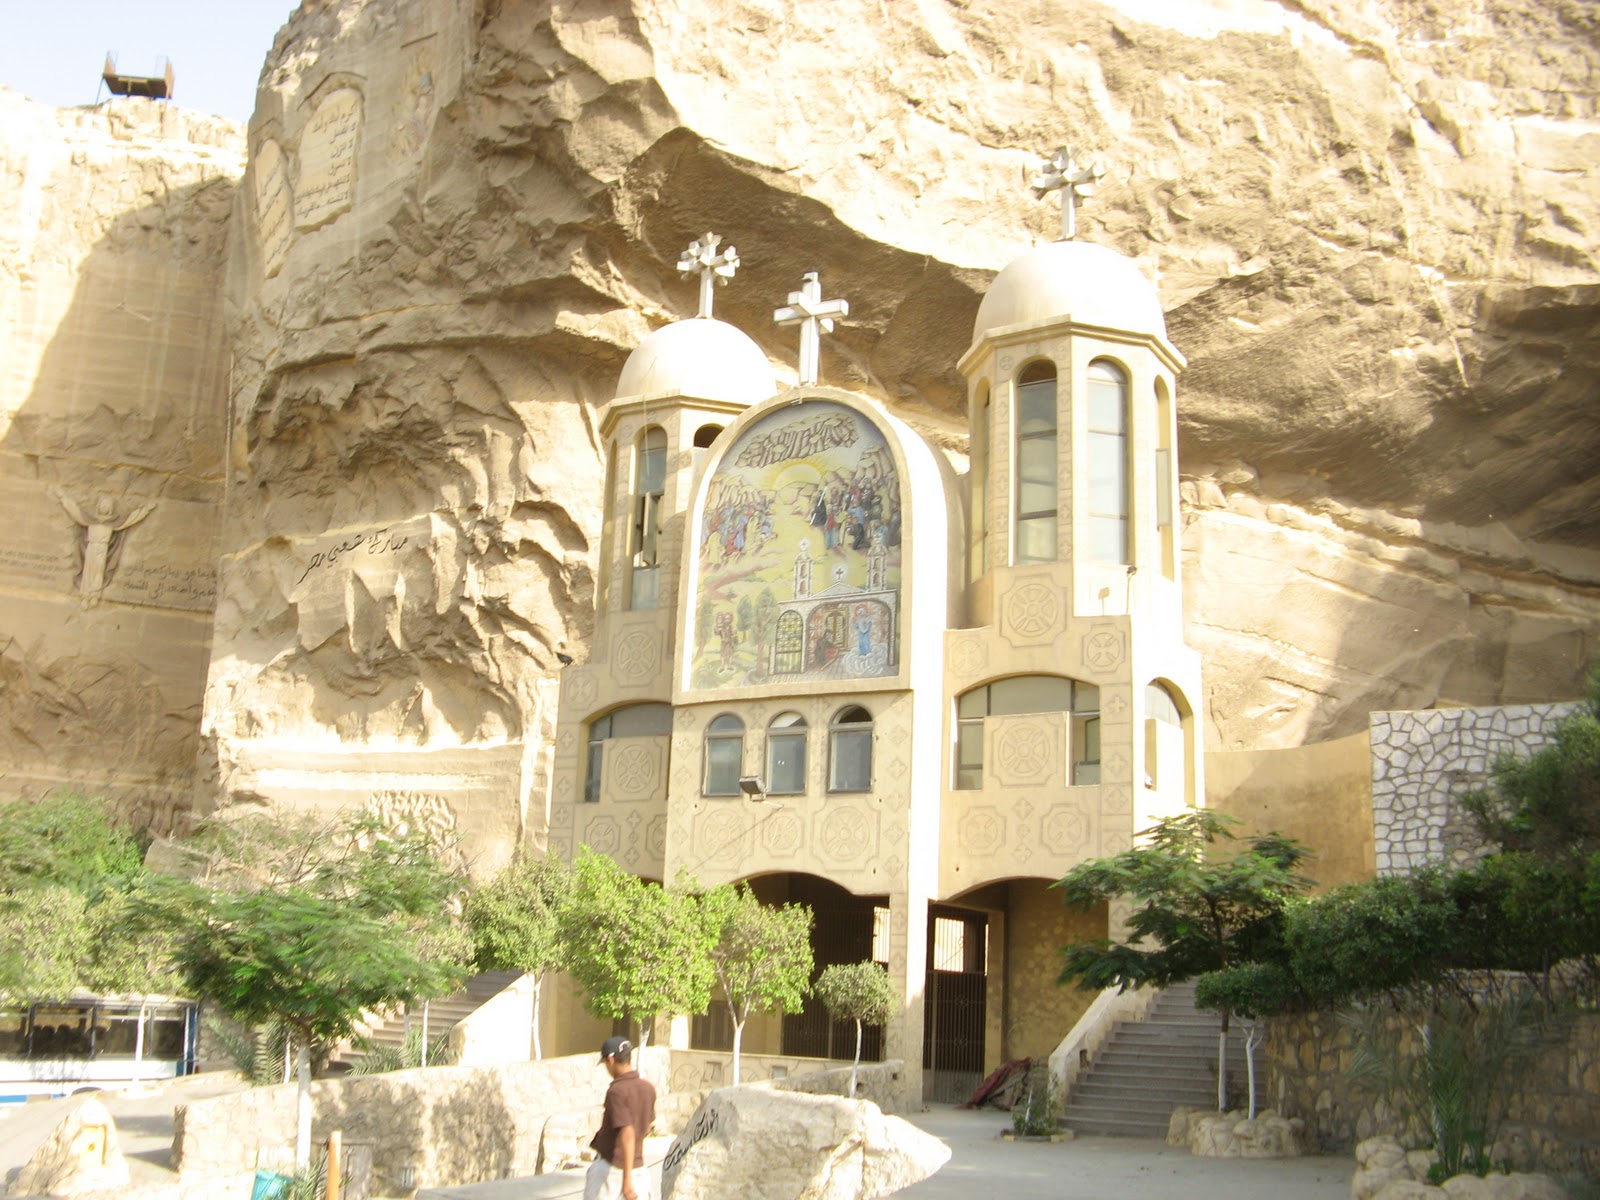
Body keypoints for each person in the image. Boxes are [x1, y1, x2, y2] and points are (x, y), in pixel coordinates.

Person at [586, 1035, 657, 1200]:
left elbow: (627, 1132)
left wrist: (627, 1180)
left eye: (605, 1063)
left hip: (614, 1171)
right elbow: (645, 1128)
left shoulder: (616, 1091)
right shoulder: (648, 1088)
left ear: (611, 1060)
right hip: (640, 1170)